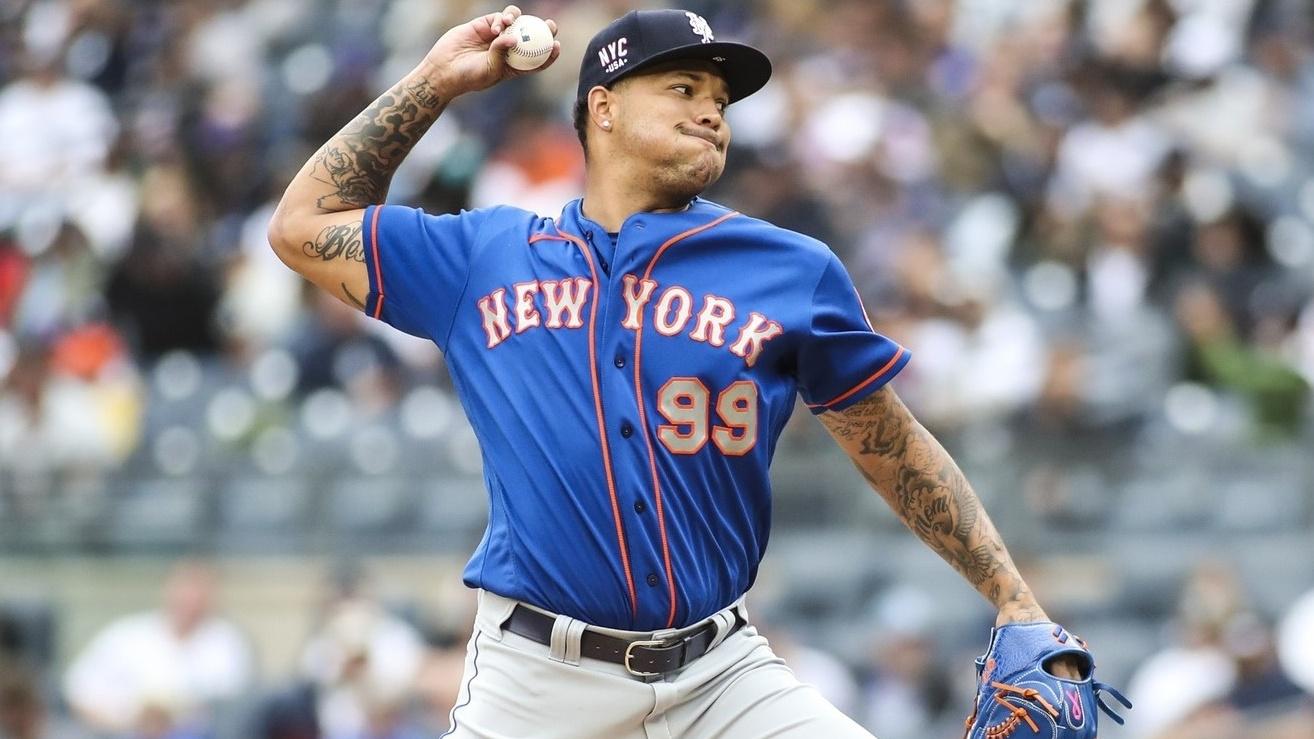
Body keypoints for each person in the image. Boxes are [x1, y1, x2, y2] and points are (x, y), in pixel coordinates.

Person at [267, 6, 1083, 736]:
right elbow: (303, 224)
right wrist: (437, 82)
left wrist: (1014, 596)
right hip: (536, 681)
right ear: (604, 108)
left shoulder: (789, 269)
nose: (711, 112)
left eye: (721, 102)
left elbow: (891, 445)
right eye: (684, 88)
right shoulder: (484, 257)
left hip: (718, 674)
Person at [62, 560, 254, 736]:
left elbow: (233, 709)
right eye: (185, 587)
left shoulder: (227, 642)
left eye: (200, 590)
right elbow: (78, 692)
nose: (191, 599)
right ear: (168, 588)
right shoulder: (125, 634)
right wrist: (130, 720)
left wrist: (173, 717)